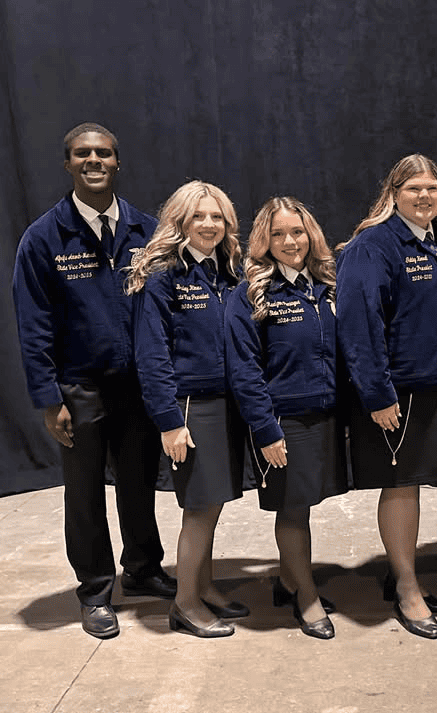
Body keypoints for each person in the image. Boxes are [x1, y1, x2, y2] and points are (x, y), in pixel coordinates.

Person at [12, 123, 175, 639]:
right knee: (83, 492)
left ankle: (144, 568)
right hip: (78, 387)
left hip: (136, 385)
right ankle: (96, 589)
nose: (94, 160)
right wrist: (47, 396)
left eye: (104, 152)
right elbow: (32, 322)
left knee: (138, 482)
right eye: (83, 154)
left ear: (117, 162)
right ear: (68, 165)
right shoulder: (43, 237)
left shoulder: (146, 231)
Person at [337, 155, 437, 640]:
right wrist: (377, 393)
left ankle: (404, 571)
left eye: (432, 188)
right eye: (413, 188)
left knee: (414, 486)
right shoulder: (373, 246)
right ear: (393, 193)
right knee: (400, 487)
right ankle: (407, 587)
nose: (424, 196)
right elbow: (358, 325)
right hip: (398, 394)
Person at [127, 180, 245, 638]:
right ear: (180, 221)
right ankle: (186, 603)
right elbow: (151, 355)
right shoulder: (162, 275)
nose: (209, 225)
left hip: (226, 403)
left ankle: (206, 586)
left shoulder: (229, 271)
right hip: (191, 407)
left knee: (212, 505)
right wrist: (170, 422)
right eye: (199, 216)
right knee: (199, 507)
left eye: (217, 217)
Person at [225, 197, 347, 640]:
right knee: (293, 511)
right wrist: (265, 428)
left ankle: (289, 579)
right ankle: (307, 596)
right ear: (264, 242)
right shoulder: (253, 294)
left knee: (306, 506)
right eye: (278, 234)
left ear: (310, 234)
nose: (290, 241)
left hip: (324, 416)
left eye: (297, 232)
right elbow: (243, 369)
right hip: (282, 422)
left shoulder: (326, 287)